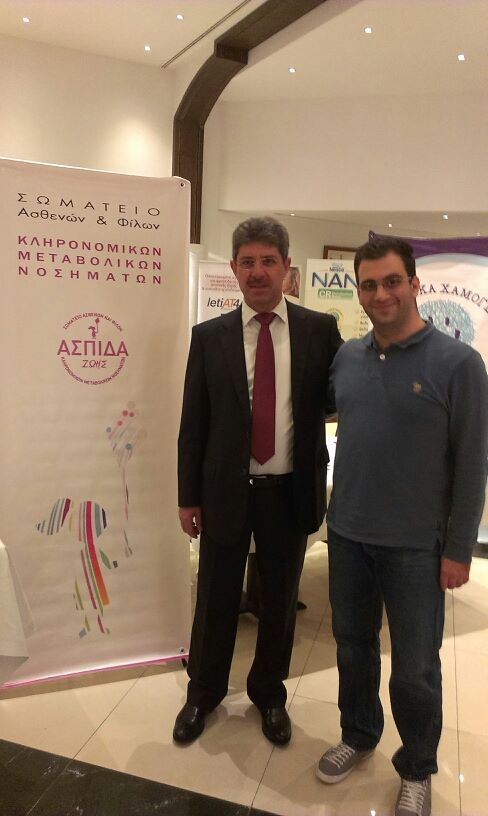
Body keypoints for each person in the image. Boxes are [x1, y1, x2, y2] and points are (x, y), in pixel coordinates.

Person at [316, 236, 488, 816]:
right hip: (348, 535)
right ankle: (359, 733)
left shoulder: (459, 364)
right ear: (359, 292)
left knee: (415, 668)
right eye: (369, 284)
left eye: (392, 281)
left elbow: (472, 463)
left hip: (417, 547)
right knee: (352, 648)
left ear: (414, 284)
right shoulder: (347, 358)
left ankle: (416, 766)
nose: (381, 293)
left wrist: (458, 548)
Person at [174, 216, 342, 745]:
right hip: (225, 492)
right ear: (233, 269)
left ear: (287, 268)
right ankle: (202, 693)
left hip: (288, 493)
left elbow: (340, 398)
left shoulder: (319, 331)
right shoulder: (209, 338)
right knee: (215, 598)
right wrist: (187, 498)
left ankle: (269, 694)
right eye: (247, 261)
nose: (257, 271)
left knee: (279, 602)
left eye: (268, 260)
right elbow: (193, 424)